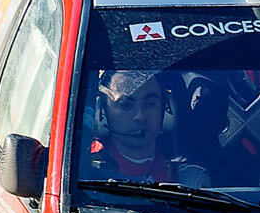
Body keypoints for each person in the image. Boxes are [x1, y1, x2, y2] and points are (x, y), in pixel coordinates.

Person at [82, 70, 210, 186]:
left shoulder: (191, 182)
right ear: (102, 112)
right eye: (126, 105)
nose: (140, 116)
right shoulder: (83, 175)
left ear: (166, 112)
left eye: (150, 104)